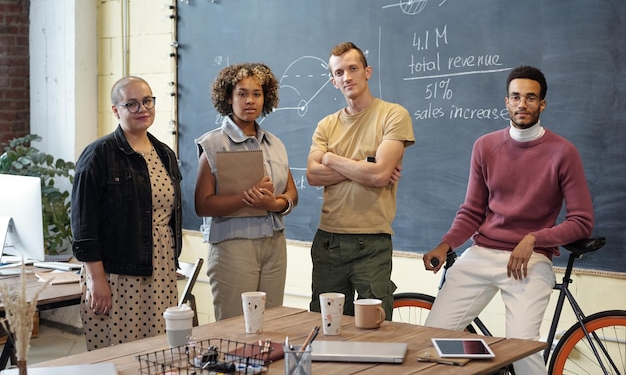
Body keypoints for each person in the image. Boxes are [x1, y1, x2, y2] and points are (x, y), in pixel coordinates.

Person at [422, 66, 594, 375]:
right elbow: (472, 211)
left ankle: (504, 358)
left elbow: (582, 222)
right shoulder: (485, 146)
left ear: (542, 104)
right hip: (481, 255)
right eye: (516, 97)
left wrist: (534, 238)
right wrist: (444, 245)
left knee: (522, 348)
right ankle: (488, 363)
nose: (522, 104)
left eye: (530, 97)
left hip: (530, 261)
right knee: (432, 339)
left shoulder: (563, 152)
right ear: (506, 102)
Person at [71, 76, 183, 351]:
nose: (142, 109)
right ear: (116, 110)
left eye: (147, 101)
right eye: (131, 104)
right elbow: (83, 225)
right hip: (116, 272)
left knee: (157, 349)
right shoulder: (98, 155)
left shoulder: (164, 153)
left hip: (161, 267)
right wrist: (97, 280)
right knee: (120, 350)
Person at [306, 42, 415, 318]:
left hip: (372, 241)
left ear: (367, 72)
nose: (347, 77)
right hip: (328, 241)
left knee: (375, 329)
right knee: (325, 328)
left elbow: (379, 176)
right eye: (339, 72)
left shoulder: (393, 115)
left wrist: (330, 159)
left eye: (353, 68)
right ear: (333, 81)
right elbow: (312, 175)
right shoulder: (326, 125)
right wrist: (365, 166)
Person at [195, 63, 298, 321]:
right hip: (233, 246)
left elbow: (291, 192)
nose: (250, 100)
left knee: (271, 323)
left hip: (274, 246)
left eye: (257, 94)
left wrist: (275, 204)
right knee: (236, 327)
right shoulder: (213, 143)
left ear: (266, 98)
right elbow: (202, 204)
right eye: (242, 93)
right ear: (228, 97)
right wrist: (245, 198)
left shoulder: (275, 144)